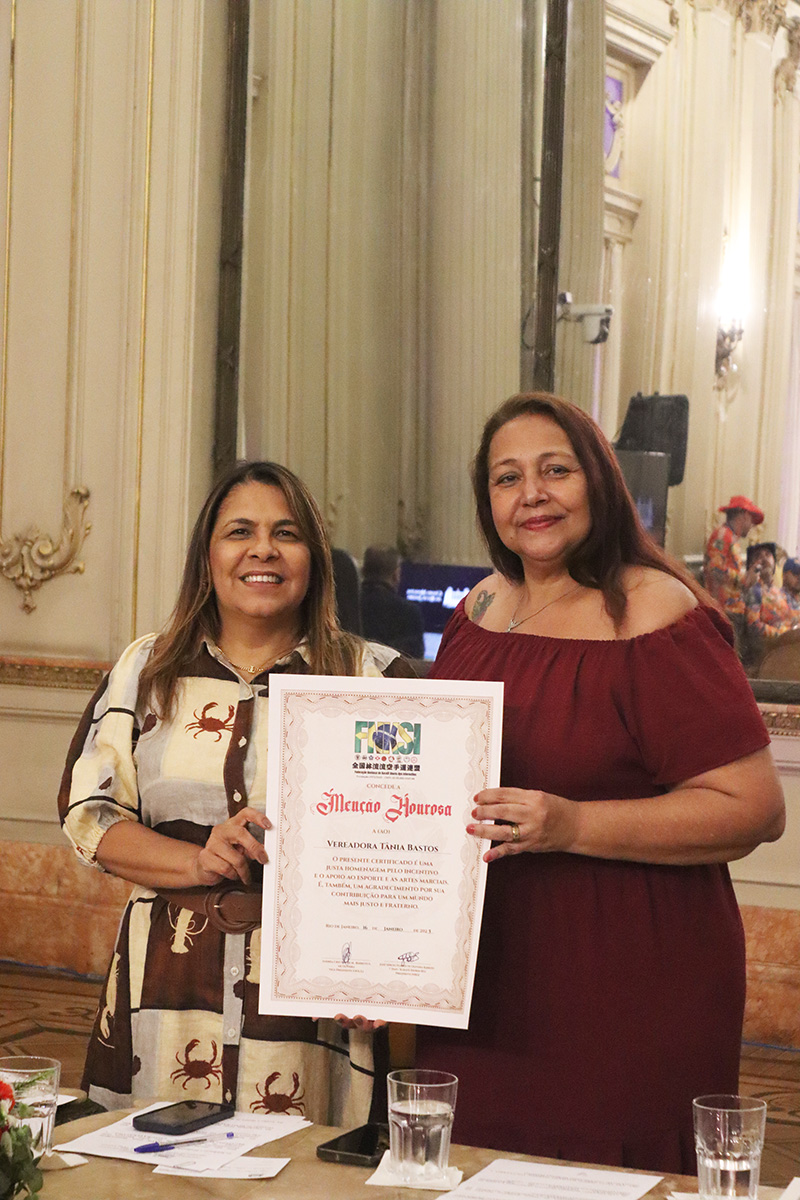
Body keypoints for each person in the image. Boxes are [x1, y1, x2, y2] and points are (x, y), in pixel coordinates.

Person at [415, 394, 784, 1174]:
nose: (532, 495)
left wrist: (572, 824)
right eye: (506, 478)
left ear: (602, 481)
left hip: (627, 976)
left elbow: (753, 808)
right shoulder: (479, 608)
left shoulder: (657, 611)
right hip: (487, 977)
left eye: (557, 470)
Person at [59, 461, 415, 1120]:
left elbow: (414, 841)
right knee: (153, 1178)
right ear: (208, 555)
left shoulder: (373, 679)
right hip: (164, 985)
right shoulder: (146, 669)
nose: (263, 550)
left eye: (287, 533)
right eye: (240, 532)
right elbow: (91, 814)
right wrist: (194, 861)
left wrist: (392, 967)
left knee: (304, 1181)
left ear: (313, 556)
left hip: (315, 999)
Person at [703, 494, 764, 617]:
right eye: (752, 519)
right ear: (745, 515)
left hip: (733, 610)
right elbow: (715, 569)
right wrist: (744, 578)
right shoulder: (722, 535)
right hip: (723, 611)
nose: (752, 525)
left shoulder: (731, 537)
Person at [360, 545, 425, 659]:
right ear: (396, 575)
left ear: (362, 571)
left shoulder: (347, 606)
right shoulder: (410, 613)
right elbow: (416, 660)